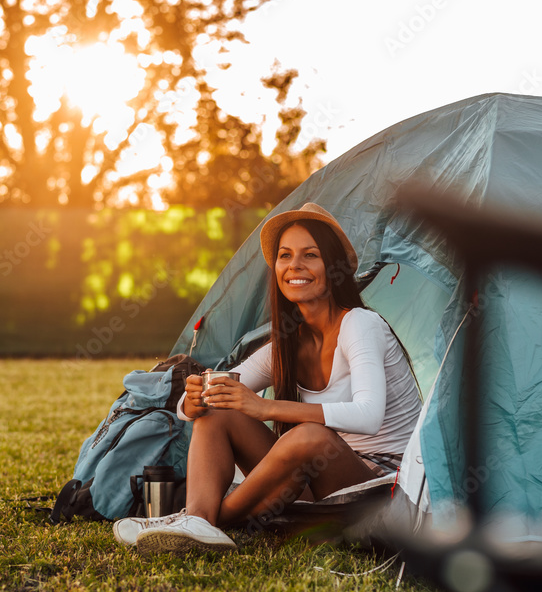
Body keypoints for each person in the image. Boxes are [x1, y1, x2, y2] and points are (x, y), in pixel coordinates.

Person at [114, 202, 423, 555]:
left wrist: (264, 407)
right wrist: (195, 398)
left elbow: (369, 415)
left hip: (383, 490)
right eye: (285, 255)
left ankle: (198, 520)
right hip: (322, 489)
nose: (295, 266)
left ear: (333, 268)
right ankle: (198, 520)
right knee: (220, 408)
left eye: (311, 255)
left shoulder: (360, 324)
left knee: (307, 437)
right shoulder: (287, 342)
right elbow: (210, 397)